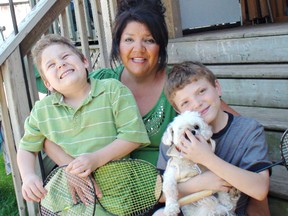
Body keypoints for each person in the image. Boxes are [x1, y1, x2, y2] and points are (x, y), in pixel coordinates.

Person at [43, 0, 270, 214]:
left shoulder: (178, 90)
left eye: (149, 40)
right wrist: (71, 169)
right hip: (107, 193)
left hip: (162, 195)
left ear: (160, 45)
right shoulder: (99, 83)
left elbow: (232, 125)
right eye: (129, 39)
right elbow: (43, 132)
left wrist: (258, 206)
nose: (138, 49)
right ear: (118, 44)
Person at [16, 34, 150, 212]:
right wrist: (28, 176)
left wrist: (95, 159)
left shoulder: (112, 90)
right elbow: (26, 148)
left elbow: (133, 137)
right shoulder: (43, 111)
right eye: (51, 65)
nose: (60, 64)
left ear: (85, 61)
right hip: (70, 199)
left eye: (65, 57)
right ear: (48, 84)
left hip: (114, 195)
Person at [156, 61, 271, 215]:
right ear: (178, 110)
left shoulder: (248, 131)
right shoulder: (176, 139)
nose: (197, 104)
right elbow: (160, 195)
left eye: (202, 91)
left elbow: (259, 190)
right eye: (185, 102)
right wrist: (200, 183)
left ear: (217, 87)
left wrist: (207, 158)